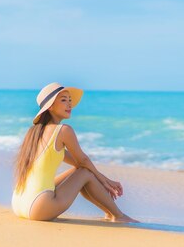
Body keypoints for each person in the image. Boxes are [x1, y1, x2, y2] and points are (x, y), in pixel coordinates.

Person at [11, 82, 139, 223]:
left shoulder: (33, 133)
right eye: (64, 100)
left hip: (19, 203)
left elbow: (79, 163)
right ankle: (118, 215)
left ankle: (110, 213)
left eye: (70, 100)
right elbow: (83, 161)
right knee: (85, 173)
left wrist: (104, 179)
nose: (69, 105)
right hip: (38, 207)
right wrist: (106, 181)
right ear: (50, 106)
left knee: (81, 171)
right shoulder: (63, 130)